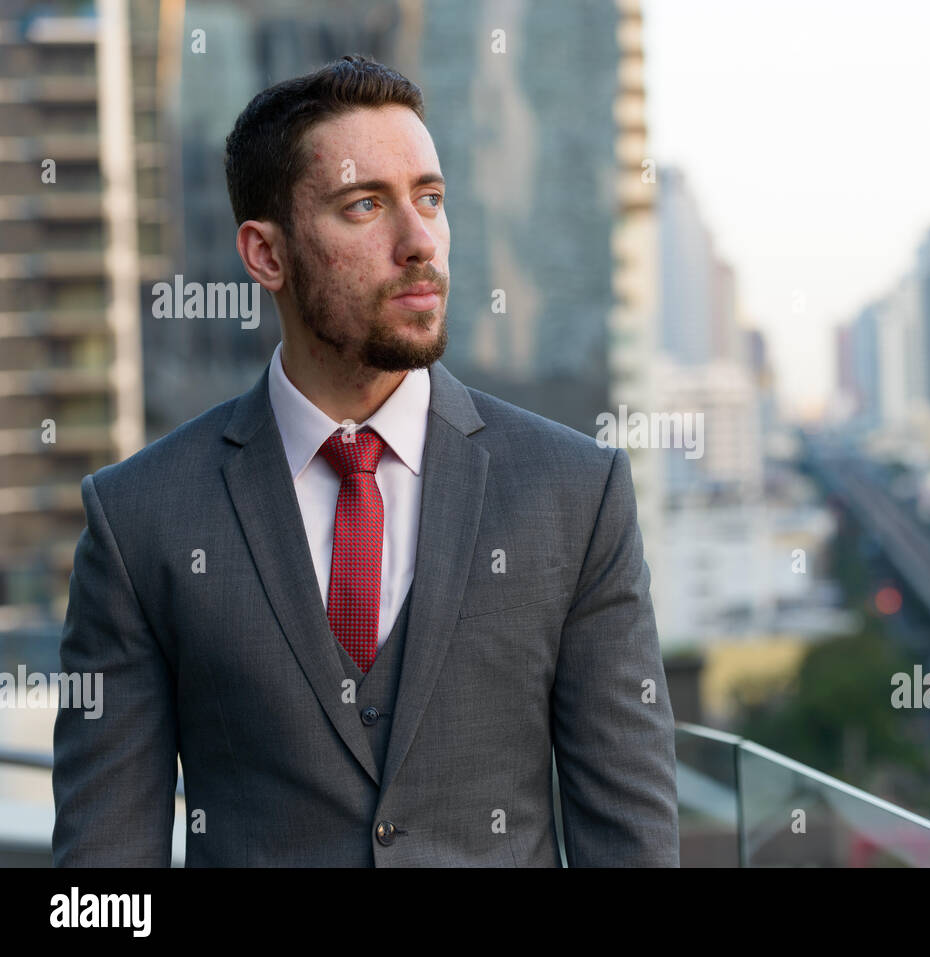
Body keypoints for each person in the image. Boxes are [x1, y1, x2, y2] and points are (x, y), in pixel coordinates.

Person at [51, 54, 679, 867]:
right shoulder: (139, 519)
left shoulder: (575, 492)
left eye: (430, 198)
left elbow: (631, 842)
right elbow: (103, 872)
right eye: (365, 206)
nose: (419, 242)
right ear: (266, 254)